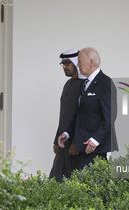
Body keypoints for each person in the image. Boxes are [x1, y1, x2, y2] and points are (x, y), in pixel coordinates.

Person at [58, 47, 118, 170]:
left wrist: (95, 140)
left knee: (91, 186)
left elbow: (110, 116)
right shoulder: (85, 84)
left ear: (91, 61)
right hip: (82, 147)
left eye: (80, 61)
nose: (78, 65)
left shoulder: (105, 83)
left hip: (95, 149)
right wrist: (67, 133)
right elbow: (80, 114)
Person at [49, 49, 83, 182]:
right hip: (63, 142)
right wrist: (55, 140)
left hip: (75, 145)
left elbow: (82, 116)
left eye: (68, 63)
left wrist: (76, 142)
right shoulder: (68, 84)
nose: (64, 67)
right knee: (56, 179)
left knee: (73, 180)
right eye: (62, 63)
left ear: (77, 63)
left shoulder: (84, 85)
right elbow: (64, 115)